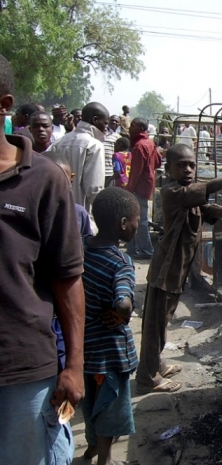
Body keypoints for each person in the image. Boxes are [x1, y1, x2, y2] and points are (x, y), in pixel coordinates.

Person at [0, 53, 86, 464]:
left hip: (22, 370)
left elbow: (67, 277)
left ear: (3, 106)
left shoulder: (43, 179)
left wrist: (74, 364)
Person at [135, 144, 222, 393]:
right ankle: (147, 377)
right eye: (181, 165)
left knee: (163, 320)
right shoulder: (172, 191)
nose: (188, 169)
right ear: (168, 169)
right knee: (154, 323)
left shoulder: (189, 194)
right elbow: (210, 188)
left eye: (191, 164)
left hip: (177, 269)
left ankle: (156, 364)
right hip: (166, 268)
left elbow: (210, 211)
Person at [80, 187, 139, 465]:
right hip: (111, 351)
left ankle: (91, 448)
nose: (140, 225)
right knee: (110, 404)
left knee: (91, 400)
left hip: (86, 345)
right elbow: (124, 302)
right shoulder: (121, 263)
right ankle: (105, 459)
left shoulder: (82, 248)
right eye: (137, 219)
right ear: (124, 224)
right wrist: (123, 314)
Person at [45, 102, 109, 212]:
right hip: (81, 215)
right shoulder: (94, 146)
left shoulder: (58, 142)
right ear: (95, 120)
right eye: (105, 123)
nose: (106, 129)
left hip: (57, 212)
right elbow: (94, 190)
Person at [126, 117, 161, 259]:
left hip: (139, 187)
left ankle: (146, 250)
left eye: (133, 125)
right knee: (135, 217)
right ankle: (132, 248)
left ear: (140, 129)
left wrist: (129, 189)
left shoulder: (139, 146)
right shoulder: (149, 143)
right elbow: (158, 162)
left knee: (140, 220)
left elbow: (136, 171)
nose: (129, 127)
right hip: (147, 184)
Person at [44, 152, 93, 237]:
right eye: (48, 180)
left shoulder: (78, 213)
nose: (55, 186)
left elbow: (84, 244)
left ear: (71, 179)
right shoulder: (29, 211)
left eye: (62, 180)